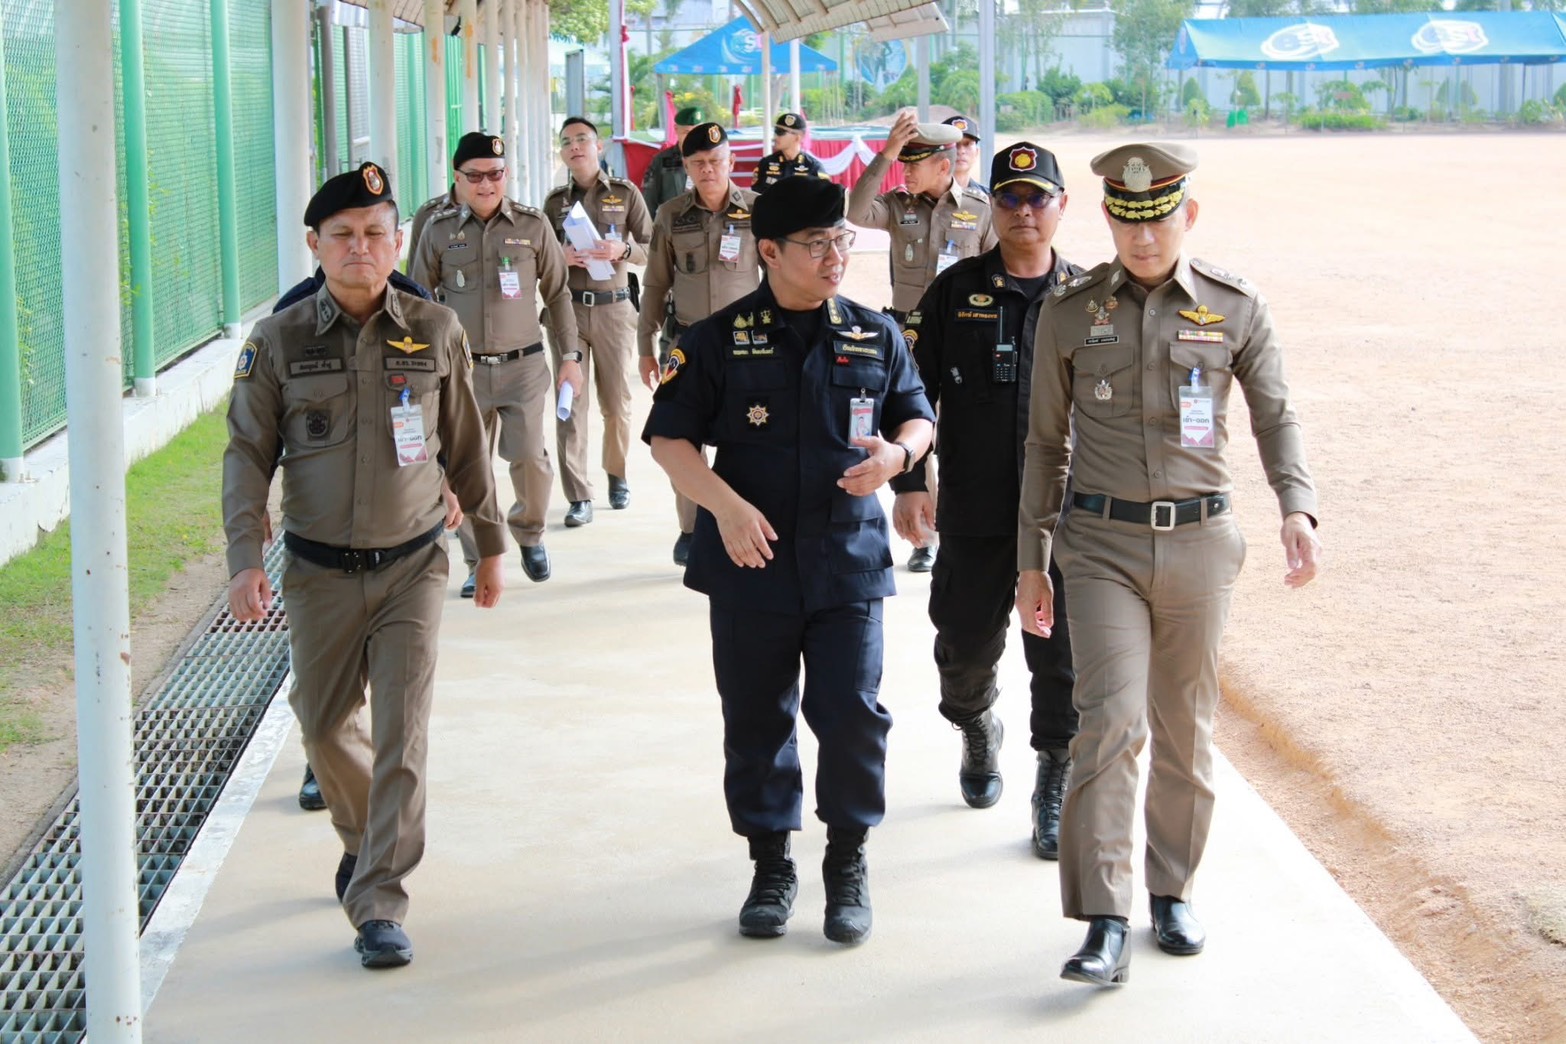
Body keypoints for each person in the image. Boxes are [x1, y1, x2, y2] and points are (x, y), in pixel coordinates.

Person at [1015, 142, 1322, 987]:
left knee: (1186, 730)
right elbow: (1044, 444)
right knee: (1110, 723)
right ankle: (1105, 918)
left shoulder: (1234, 306)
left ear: (1187, 216)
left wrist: (1297, 506)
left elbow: (1275, 415)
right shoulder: (1070, 311)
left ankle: (1172, 891)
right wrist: (1032, 560)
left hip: (1200, 544)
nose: (1143, 239)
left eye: (1157, 222)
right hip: (1101, 545)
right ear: (1108, 219)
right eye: (1127, 222)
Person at [222, 161, 506, 969]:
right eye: (342, 234)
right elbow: (246, 455)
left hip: (414, 564)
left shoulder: (435, 330)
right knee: (321, 725)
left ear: (397, 242)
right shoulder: (278, 340)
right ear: (314, 244)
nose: (360, 247)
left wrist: (489, 547)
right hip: (317, 571)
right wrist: (244, 559)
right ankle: (362, 838)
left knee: (401, 736)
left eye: (376, 233)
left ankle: (380, 899)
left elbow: (465, 446)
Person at [643, 176, 935, 946]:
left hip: (847, 558)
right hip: (753, 560)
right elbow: (669, 439)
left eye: (841, 240)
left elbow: (916, 414)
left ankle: (847, 860)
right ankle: (771, 865)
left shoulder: (875, 333)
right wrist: (725, 505)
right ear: (769, 251)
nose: (835, 256)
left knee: (852, 715)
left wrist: (900, 458)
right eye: (816, 244)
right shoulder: (715, 339)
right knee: (756, 715)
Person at [890, 143, 1079, 857]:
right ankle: (976, 727)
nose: (1024, 211)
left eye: (1037, 197)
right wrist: (912, 481)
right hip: (974, 509)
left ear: (1061, 205)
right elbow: (910, 390)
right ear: (991, 205)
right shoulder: (956, 291)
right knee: (963, 650)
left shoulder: (1089, 297)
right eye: (1010, 198)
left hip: (1065, 520)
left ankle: (1054, 778)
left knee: (1062, 661)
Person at [411, 131, 583, 593]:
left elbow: (558, 294)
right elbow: (417, 301)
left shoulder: (532, 225)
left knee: (529, 457)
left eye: (495, 174)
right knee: (468, 466)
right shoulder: (437, 230)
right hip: (462, 371)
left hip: (523, 366)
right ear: (457, 177)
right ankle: (478, 557)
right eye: (475, 176)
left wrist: (570, 357)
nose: (486, 184)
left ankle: (530, 532)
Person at [848, 111, 995, 573]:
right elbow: (855, 211)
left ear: (944, 166)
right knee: (911, 427)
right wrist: (886, 153)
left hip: (964, 336)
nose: (906, 171)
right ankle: (925, 537)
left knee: (958, 434)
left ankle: (955, 527)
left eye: (915, 163)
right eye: (904, 162)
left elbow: (996, 275)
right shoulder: (898, 206)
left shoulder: (981, 209)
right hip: (908, 337)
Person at [637, 122, 762, 566]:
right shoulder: (671, 214)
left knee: (750, 435)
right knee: (681, 439)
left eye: (715, 161)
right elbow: (655, 283)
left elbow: (779, 275)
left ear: (731, 161)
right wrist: (645, 346)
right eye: (698, 163)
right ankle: (691, 528)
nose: (707, 169)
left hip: (746, 345)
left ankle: (743, 520)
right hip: (686, 344)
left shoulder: (758, 210)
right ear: (686, 167)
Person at [543, 117, 654, 524]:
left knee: (615, 404)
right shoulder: (554, 202)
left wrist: (621, 250)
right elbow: (537, 255)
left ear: (598, 146)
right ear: (561, 152)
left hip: (613, 310)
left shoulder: (625, 194)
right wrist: (559, 256)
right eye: (566, 142)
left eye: (582, 140)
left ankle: (616, 475)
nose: (574, 147)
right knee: (570, 404)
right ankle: (579, 495)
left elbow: (652, 246)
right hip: (568, 312)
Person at [640, 105, 706, 218]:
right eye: (686, 132)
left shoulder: (711, 160)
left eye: (697, 132)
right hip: (672, 222)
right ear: (676, 130)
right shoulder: (661, 160)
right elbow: (649, 200)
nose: (692, 137)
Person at [752, 112, 830, 193]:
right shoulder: (765, 164)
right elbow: (755, 196)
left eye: (780, 132)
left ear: (797, 138)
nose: (775, 137)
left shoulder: (813, 167)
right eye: (775, 131)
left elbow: (827, 197)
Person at [943, 115, 987, 197]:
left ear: (977, 152)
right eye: (954, 144)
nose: (961, 151)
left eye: (967, 144)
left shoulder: (987, 197)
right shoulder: (923, 197)